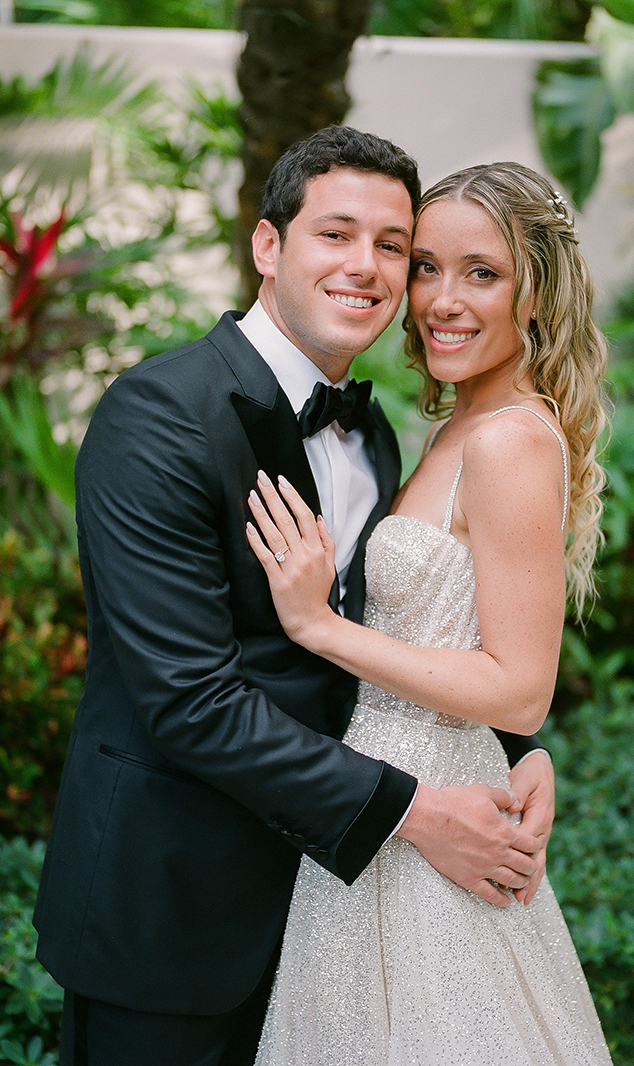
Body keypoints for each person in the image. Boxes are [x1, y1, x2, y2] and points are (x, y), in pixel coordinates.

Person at [33, 127, 556, 1066]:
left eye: (392, 246)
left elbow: (400, 627)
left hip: (336, 921)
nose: (367, 266)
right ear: (268, 246)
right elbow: (190, 700)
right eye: (336, 234)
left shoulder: (377, 434)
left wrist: (514, 749)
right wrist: (415, 813)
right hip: (173, 917)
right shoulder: (159, 416)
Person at [245, 161, 612, 1064]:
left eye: (482, 273)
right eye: (427, 268)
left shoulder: (509, 440)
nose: (443, 301)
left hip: (433, 810)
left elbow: (520, 689)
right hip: (391, 798)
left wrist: (320, 628)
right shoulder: (455, 427)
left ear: (535, 293)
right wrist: (524, 755)